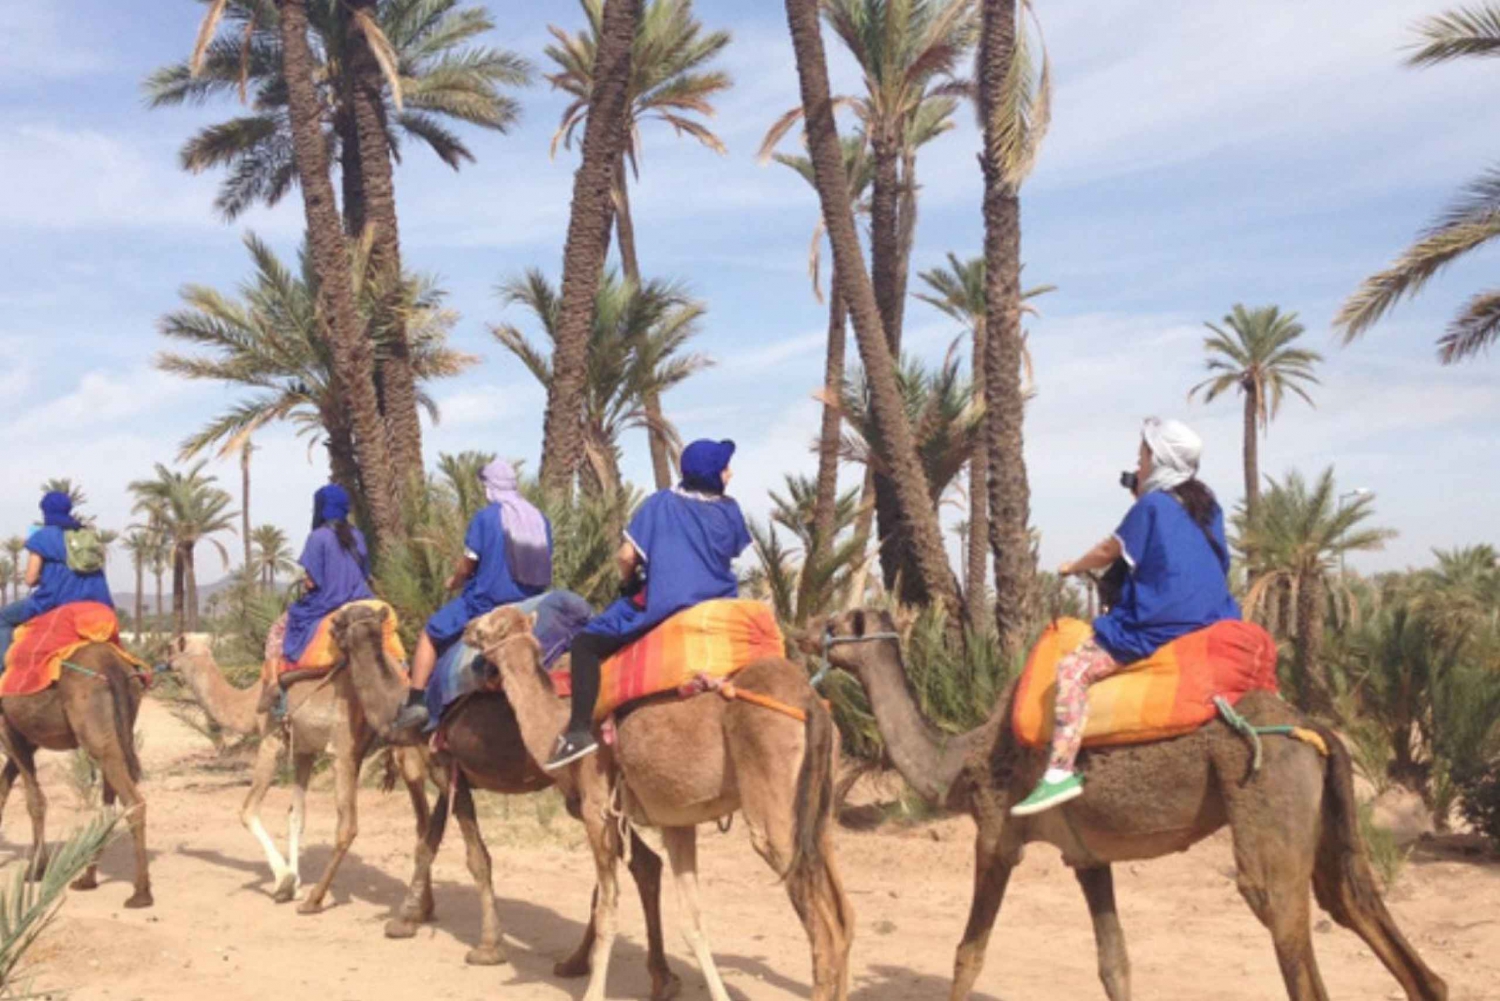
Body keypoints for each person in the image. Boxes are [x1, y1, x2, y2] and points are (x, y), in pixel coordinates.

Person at [1011, 418, 1241, 817]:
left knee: (1071, 670)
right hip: (1215, 620)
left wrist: (1071, 566)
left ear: (1160, 461)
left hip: (1159, 623)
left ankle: (1059, 772)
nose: (1139, 463)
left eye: (1144, 456)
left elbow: (1108, 551)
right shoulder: (1210, 509)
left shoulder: (1151, 505)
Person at [545, 438, 752, 770]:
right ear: (712, 474)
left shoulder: (659, 504)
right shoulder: (730, 509)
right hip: (720, 604)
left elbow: (626, 556)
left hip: (666, 604)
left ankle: (579, 732)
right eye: (725, 468)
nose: (730, 473)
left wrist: (629, 583)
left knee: (585, 644)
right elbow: (731, 552)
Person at [390, 459, 552, 733]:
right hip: (528, 604)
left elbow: (468, 563)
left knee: (430, 633)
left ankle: (416, 701)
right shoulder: (539, 519)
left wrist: (454, 580)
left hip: (486, 603)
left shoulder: (486, 518)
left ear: (491, 487)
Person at [257, 484, 375, 711]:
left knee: (277, 630)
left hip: (329, 602)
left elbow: (312, 581)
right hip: (362, 599)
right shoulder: (358, 536)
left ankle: (275, 688)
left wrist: (307, 585)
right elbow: (365, 573)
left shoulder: (318, 537)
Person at [0, 491, 113, 664]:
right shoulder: (86, 536)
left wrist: (41, 577)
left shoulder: (43, 537)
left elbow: (30, 579)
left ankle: (3, 672)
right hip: (98, 600)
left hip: (55, 600)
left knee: (3, 618)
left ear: (45, 512)